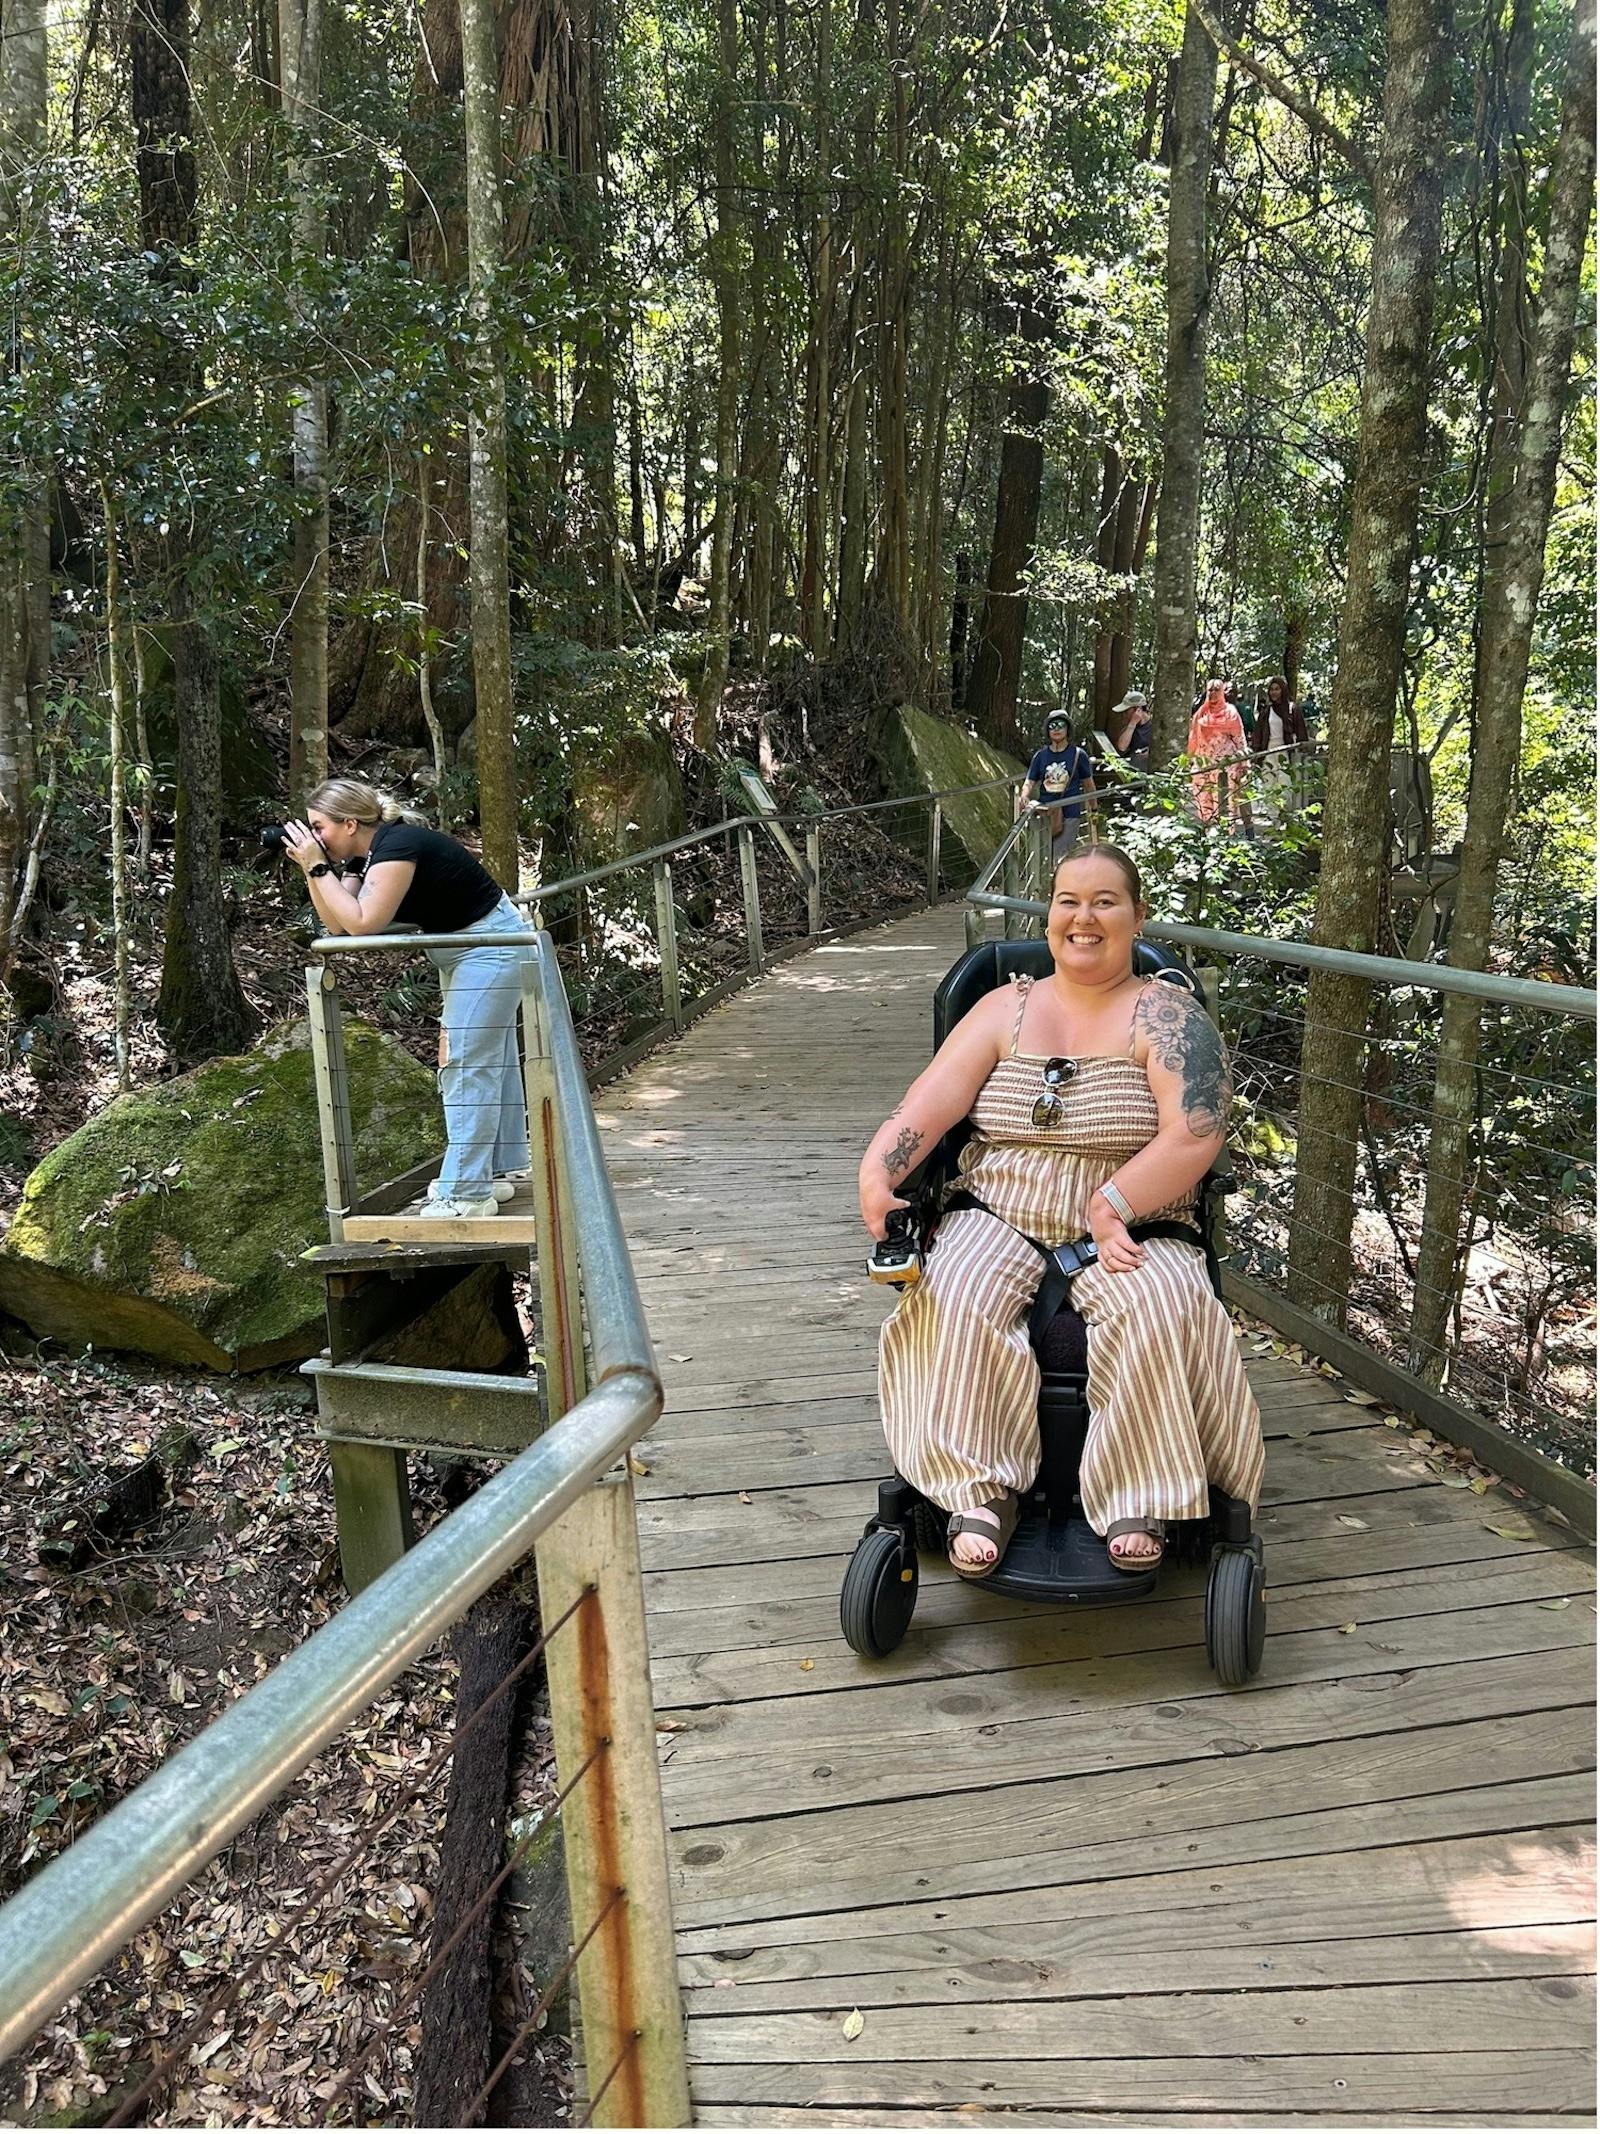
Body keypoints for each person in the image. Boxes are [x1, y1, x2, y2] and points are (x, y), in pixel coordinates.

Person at [859, 843, 1262, 1576]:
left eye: (1105, 901)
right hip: (1000, 1209)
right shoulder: (1000, 1009)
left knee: (1160, 1301)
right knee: (952, 1290)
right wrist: (877, 1169)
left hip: (1137, 1216)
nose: (1083, 917)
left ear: (1136, 917)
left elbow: (1197, 1132)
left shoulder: (1168, 1016)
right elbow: (927, 1105)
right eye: (1067, 900)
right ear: (1049, 914)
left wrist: (1113, 1202)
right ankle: (979, 1491)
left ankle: (1142, 1492)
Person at [282, 780, 531, 1219]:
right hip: (473, 951)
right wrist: (313, 868)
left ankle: (466, 1195)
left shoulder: (398, 846)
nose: (314, 836)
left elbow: (363, 924)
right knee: (484, 1058)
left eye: (319, 827)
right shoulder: (369, 854)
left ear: (350, 823)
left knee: (465, 1063)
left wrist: (319, 867)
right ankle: (492, 1172)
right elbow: (337, 925)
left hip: (489, 949)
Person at [1021, 712, 1096, 860]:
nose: (1056, 729)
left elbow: (1088, 784)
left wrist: (1094, 809)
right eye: (1052, 726)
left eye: (1061, 725)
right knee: (1042, 857)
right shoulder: (1040, 756)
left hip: (1069, 813)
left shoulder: (1078, 754)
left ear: (1068, 729)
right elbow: (1030, 781)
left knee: (1061, 857)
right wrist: (1024, 795)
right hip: (1045, 812)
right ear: (1047, 731)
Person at [1187, 678, 1252, 832]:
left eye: (1217, 690)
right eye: (1210, 690)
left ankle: (1226, 837)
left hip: (1225, 766)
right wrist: (1189, 759)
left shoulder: (1230, 712)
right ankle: (1207, 832)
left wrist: (1244, 763)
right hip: (1204, 763)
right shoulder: (1201, 713)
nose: (1213, 693)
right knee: (1204, 799)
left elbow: (1239, 739)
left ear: (1222, 692)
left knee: (1225, 801)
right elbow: (1194, 737)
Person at [1252, 674, 1311, 825]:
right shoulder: (1266, 712)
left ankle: (1286, 819)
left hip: (1285, 752)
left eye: (1277, 689)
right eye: (1271, 689)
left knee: (1285, 786)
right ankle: (1274, 823)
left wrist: (1304, 750)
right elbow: (1258, 733)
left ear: (1283, 690)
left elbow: (1301, 731)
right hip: (1268, 753)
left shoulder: (1292, 709)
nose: (1274, 692)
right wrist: (1256, 754)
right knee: (1269, 787)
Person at [1107, 689, 1152, 771]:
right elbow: (1122, 747)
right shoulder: (1130, 727)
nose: (1124, 715)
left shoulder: (1154, 727)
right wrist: (1132, 723)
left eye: (1126, 711)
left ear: (1137, 709)